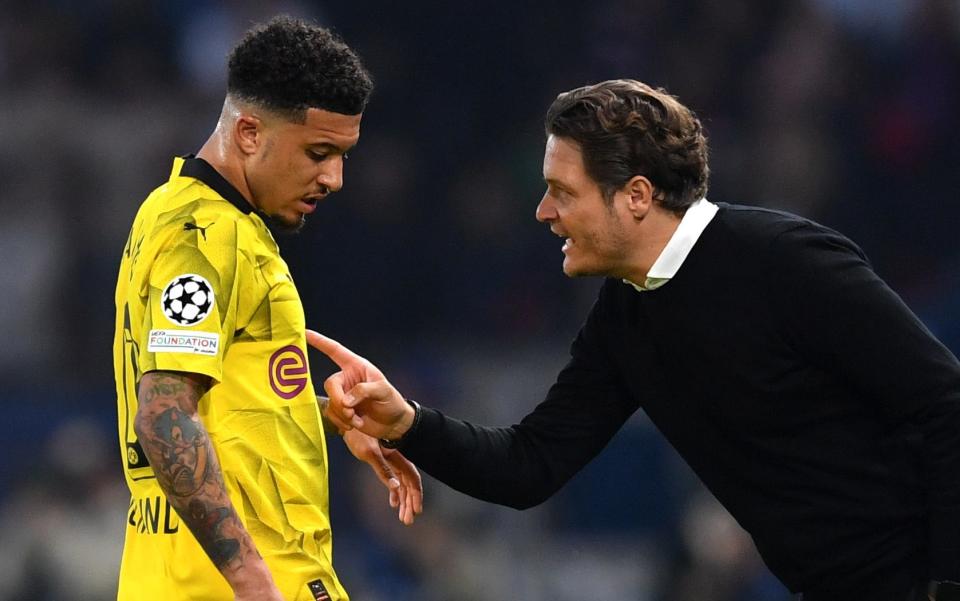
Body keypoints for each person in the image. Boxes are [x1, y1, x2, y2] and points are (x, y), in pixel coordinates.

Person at [310, 79, 960, 601]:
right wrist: (408, 422)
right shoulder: (625, 317)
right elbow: (530, 465)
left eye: (563, 192)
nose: (543, 211)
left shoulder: (786, 259)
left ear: (638, 195)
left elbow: (944, 404)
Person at [112, 16, 421, 601]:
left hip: (171, 574)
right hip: (246, 579)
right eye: (318, 152)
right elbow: (164, 413)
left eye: (343, 154)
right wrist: (252, 581)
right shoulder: (206, 235)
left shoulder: (178, 212)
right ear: (249, 132)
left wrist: (311, 415)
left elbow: (213, 396)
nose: (334, 178)